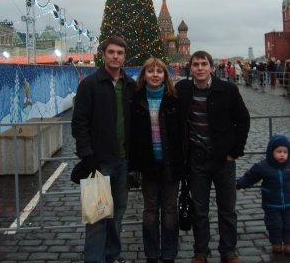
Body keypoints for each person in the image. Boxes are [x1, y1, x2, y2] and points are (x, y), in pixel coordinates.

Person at [175, 50, 250, 263]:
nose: (200, 68)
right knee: (200, 210)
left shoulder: (227, 89)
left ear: (210, 67)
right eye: (196, 64)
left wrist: (235, 151)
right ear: (190, 68)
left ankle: (228, 250)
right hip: (197, 160)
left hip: (223, 160)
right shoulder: (182, 90)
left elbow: (243, 120)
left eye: (203, 64)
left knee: (227, 209)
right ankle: (201, 251)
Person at [71, 36, 135, 263]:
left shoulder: (130, 85)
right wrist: (87, 155)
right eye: (111, 52)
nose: (115, 56)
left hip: (124, 160)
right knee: (97, 218)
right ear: (104, 54)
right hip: (99, 162)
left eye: (120, 52)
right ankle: (94, 259)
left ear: (124, 56)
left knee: (117, 215)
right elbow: (79, 123)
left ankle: (112, 256)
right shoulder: (89, 85)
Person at [129, 57, 185, 263]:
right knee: (150, 209)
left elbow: (182, 132)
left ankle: (169, 253)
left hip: (171, 162)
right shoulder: (135, 98)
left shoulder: (174, 98)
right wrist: (134, 166)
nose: (155, 75)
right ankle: (152, 253)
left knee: (170, 209)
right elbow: (132, 134)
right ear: (144, 75)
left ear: (165, 75)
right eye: (150, 71)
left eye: (159, 71)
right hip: (147, 163)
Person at [236, 135, 290, 255]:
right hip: (271, 204)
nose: (282, 154)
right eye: (279, 151)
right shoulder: (264, 166)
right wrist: (240, 183)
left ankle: (288, 243)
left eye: (285, 152)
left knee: (288, 224)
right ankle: (276, 243)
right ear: (271, 152)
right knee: (274, 225)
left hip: (289, 202)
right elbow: (251, 176)